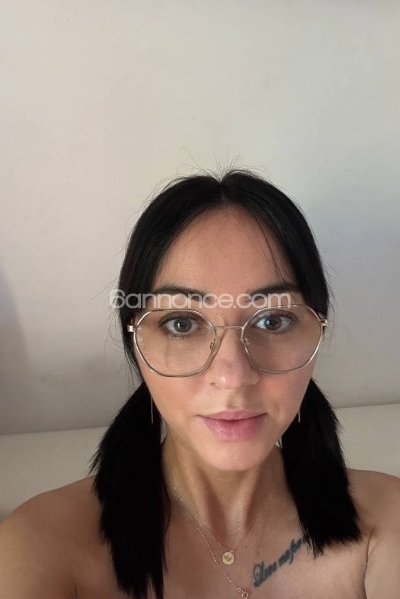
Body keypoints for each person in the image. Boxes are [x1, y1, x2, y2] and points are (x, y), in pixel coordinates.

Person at [0, 169, 399, 599]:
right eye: (182, 323)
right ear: (136, 345)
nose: (232, 376)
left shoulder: (386, 521)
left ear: (317, 330)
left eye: (273, 320)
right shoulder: (42, 544)